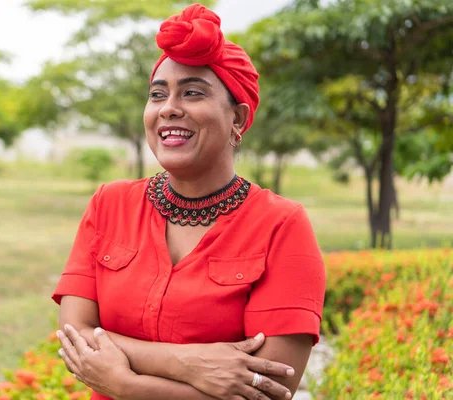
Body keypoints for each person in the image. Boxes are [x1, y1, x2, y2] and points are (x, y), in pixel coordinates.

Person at [52, 4, 326, 400]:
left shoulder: (281, 225)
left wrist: (125, 384)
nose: (169, 108)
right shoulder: (109, 204)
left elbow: (269, 389)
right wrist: (191, 363)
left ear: (238, 118)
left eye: (193, 92)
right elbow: (75, 337)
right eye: (157, 94)